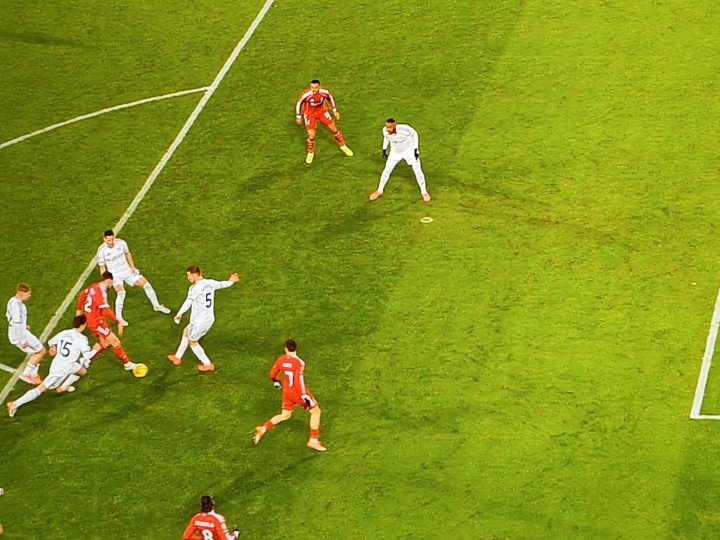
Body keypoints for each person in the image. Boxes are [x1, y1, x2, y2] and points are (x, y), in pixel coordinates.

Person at [6, 315, 98, 417]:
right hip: (62, 369)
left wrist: (54, 348)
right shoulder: (82, 339)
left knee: (82, 371)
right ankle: (14, 404)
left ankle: (63, 387)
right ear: (83, 325)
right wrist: (95, 349)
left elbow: (51, 342)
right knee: (41, 389)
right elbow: (87, 355)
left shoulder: (65, 332)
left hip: (59, 362)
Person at [253, 339, 326, 452]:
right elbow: (298, 380)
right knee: (316, 411)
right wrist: (304, 395)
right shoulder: (299, 362)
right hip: (298, 392)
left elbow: (272, 374)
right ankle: (313, 440)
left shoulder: (281, 360)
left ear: (286, 349)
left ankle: (263, 428)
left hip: (287, 393)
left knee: (285, 415)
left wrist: (276, 382)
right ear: (296, 348)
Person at [168, 266, 239, 372]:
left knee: (193, 342)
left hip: (200, 321)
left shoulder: (195, 288)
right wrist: (231, 281)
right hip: (207, 318)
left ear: (194, 274)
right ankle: (177, 357)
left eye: (189, 275)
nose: (188, 278)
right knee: (186, 331)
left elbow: (189, 301)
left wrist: (179, 313)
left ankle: (208, 364)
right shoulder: (210, 283)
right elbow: (221, 284)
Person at [96, 229, 171, 326]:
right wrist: (106, 281)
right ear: (104, 239)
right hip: (115, 275)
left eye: (112, 239)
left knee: (146, 285)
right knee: (121, 293)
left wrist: (133, 267)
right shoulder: (102, 251)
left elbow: (127, 254)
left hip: (127, 271)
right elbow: (102, 267)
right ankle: (118, 317)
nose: (111, 242)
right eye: (108, 240)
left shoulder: (121, 243)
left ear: (114, 237)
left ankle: (156, 306)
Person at [76, 272, 138, 373]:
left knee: (105, 342)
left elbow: (83, 294)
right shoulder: (101, 293)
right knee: (115, 341)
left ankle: (85, 360)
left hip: (93, 319)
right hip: (96, 322)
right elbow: (106, 311)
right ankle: (127, 364)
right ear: (109, 280)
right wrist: (118, 322)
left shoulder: (94, 286)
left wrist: (79, 309)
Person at [370, 118, 431, 202]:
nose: (388, 129)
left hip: (409, 151)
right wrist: (384, 149)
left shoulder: (405, 129)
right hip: (395, 153)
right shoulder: (385, 130)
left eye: (390, 127)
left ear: (395, 125)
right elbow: (386, 137)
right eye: (387, 127)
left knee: (417, 170)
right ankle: (379, 190)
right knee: (386, 170)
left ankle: (424, 192)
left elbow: (414, 134)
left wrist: (415, 149)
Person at [295, 80, 353, 164]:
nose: (314, 89)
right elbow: (299, 103)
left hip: (322, 113)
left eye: (315, 88)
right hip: (310, 115)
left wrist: (334, 110)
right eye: (312, 87)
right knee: (311, 135)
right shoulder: (306, 94)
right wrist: (298, 116)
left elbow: (330, 98)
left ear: (319, 86)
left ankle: (343, 146)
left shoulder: (324, 92)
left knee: (334, 129)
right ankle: (310, 152)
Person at [5, 283, 45, 385]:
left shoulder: (12, 301)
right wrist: (23, 340)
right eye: (28, 293)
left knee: (35, 352)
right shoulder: (18, 306)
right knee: (40, 351)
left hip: (15, 332)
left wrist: (24, 325)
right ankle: (26, 374)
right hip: (20, 334)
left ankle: (33, 374)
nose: (30, 296)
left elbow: (11, 318)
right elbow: (16, 323)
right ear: (21, 293)